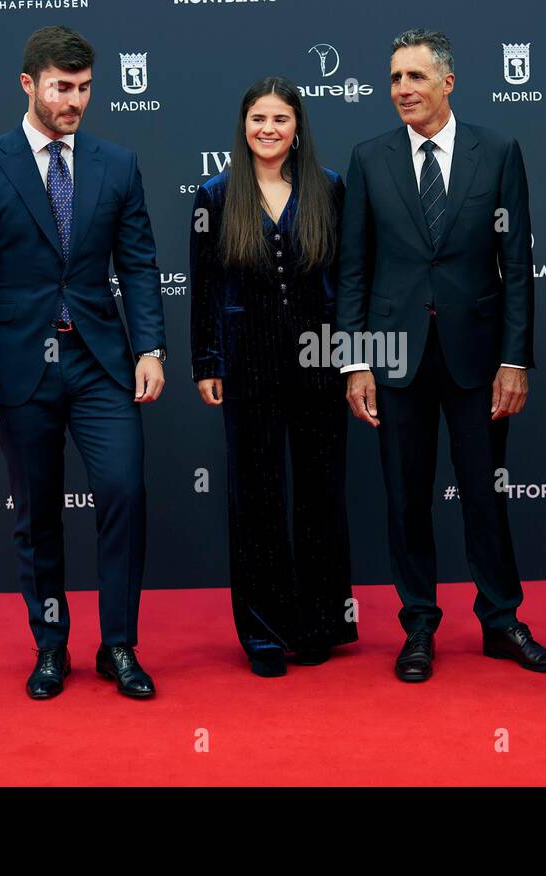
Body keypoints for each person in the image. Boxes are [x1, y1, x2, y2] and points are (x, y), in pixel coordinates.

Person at [0, 26, 168, 701]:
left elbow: (140, 263)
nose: (74, 101)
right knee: (37, 512)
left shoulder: (117, 164)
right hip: (18, 368)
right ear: (28, 84)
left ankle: (119, 645)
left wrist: (150, 346)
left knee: (124, 491)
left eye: (84, 88)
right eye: (62, 87)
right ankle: (51, 646)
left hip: (101, 361)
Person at [337, 28, 546, 682]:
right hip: (395, 357)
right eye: (394, 79)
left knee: (485, 497)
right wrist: (355, 361)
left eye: (414, 77)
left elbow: (516, 264)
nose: (402, 90)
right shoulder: (369, 158)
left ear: (448, 82)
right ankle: (418, 626)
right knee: (405, 499)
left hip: (478, 358)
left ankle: (501, 620)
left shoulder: (496, 152)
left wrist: (515, 358)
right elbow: (354, 269)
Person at [190, 76, 357, 677]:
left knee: (320, 491)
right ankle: (262, 631)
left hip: (321, 358)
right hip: (246, 359)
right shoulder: (215, 195)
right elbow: (204, 284)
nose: (268, 128)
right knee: (255, 494)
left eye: (280, 119)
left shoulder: (330, 189)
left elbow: (348, 281)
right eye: (258, 117)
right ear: (243, 126)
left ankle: (318, 622)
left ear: (297, 127)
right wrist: (206, 361)